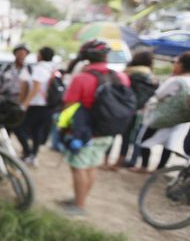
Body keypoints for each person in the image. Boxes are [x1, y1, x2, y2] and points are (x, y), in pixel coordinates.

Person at [58, 40, 130, 216]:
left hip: (86, 133)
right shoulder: (121, 77)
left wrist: (65, 128)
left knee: (78, 168)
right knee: (91, 166)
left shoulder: (82, 79)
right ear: (106, 56)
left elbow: (69, 106)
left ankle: (79, 206)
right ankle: (80, 199)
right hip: (108, 131)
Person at [132, 51, 190, 173]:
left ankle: (144, 166)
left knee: (144, 140)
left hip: (163, 117)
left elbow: (159, 95)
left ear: (182, 65)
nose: (174, 65)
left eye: (176, 62)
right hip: (182, 119)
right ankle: (159, 169)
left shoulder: (176, 80)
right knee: (169, 144)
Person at [103, 51, 157, 171]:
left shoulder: (128, 73)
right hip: (136, 111)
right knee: (126, 137)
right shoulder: (152, 78)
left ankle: (105, 161)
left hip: (120, 107)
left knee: (112, 133)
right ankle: (118, 162)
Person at [15, 46, 56, 166]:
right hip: (48, 106)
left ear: (41, 56)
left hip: (36, 105)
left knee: (19, 128)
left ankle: (27, 153)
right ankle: (33, 155)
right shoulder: (52, 69)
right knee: (37, 131)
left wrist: (24, 104)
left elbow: (36, 88)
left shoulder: (38, 69)